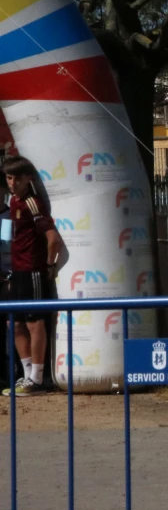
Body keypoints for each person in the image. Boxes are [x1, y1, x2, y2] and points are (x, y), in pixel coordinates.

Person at [2, 156, 63, 397]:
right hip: (15, 271)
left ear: (28, 179)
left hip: (32, 270)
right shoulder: (13, 201)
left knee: (34, 322)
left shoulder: (32, 202)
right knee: (13, 322)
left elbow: (53, 238)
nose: (13, 182)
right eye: (9, 177)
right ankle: (27, 375)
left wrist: (49, 266)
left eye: (17, 178)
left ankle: (37, 379)